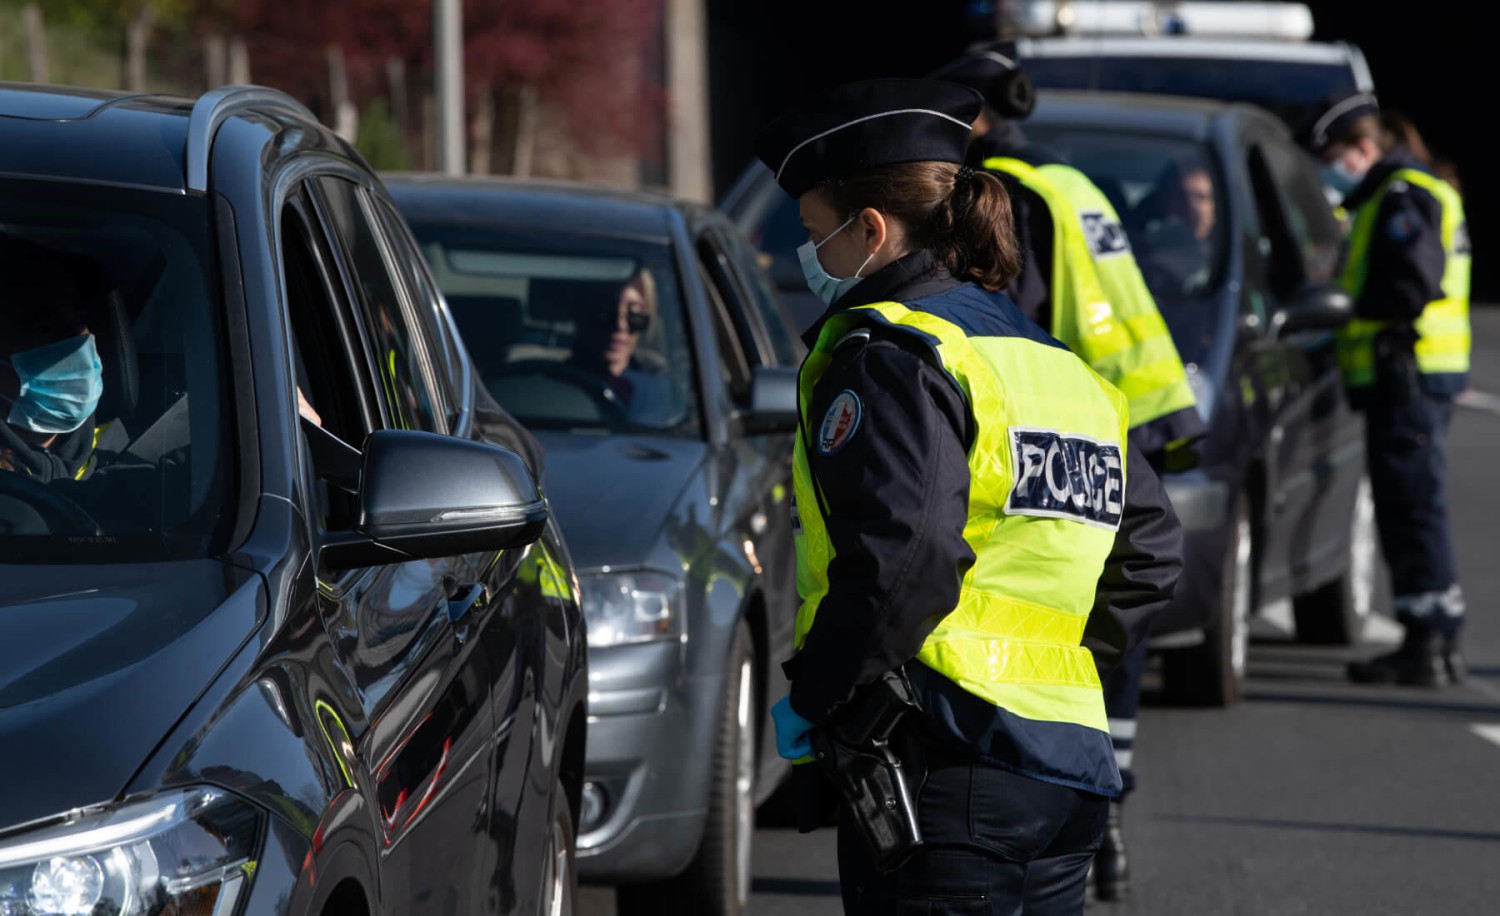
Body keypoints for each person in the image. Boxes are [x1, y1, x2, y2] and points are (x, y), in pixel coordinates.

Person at [755, 77, 1183, 915]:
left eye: (816, 233)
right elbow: (1152, 549)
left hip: (945, 766)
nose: (811, 257)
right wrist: (1062, 669)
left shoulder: (893, 356)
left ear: (870, 230)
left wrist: (820, 696)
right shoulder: (1055, 365)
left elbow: (903, 559)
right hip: (1064, 775)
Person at [929, 44, 1207, 901]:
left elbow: (1009, 313)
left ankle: (1091, 811)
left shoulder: (1005, 192)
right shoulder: (1069, 180)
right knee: (1095, 630)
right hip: (1118, 417)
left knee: (1045, 623)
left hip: (1063, 413)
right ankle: (1100, 814)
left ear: (972, 114)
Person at [1299, 92, 1471, 687]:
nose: (1332, 165)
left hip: (1406, 372)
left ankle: (1426, 641)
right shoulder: (1415, 188)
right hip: (1415, 373)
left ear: (1366, 147)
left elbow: (1413, 283)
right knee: (1415, 505)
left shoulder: (1401, 193)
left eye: (1335, 153)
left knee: (1412, 508)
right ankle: (1436, 636)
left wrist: (1350, 310)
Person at [565, 265, 675, 423]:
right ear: (579, 313)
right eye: (604, 312)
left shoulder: (664, 388)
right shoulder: (549, 385)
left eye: (634, 315)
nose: (620, 325)